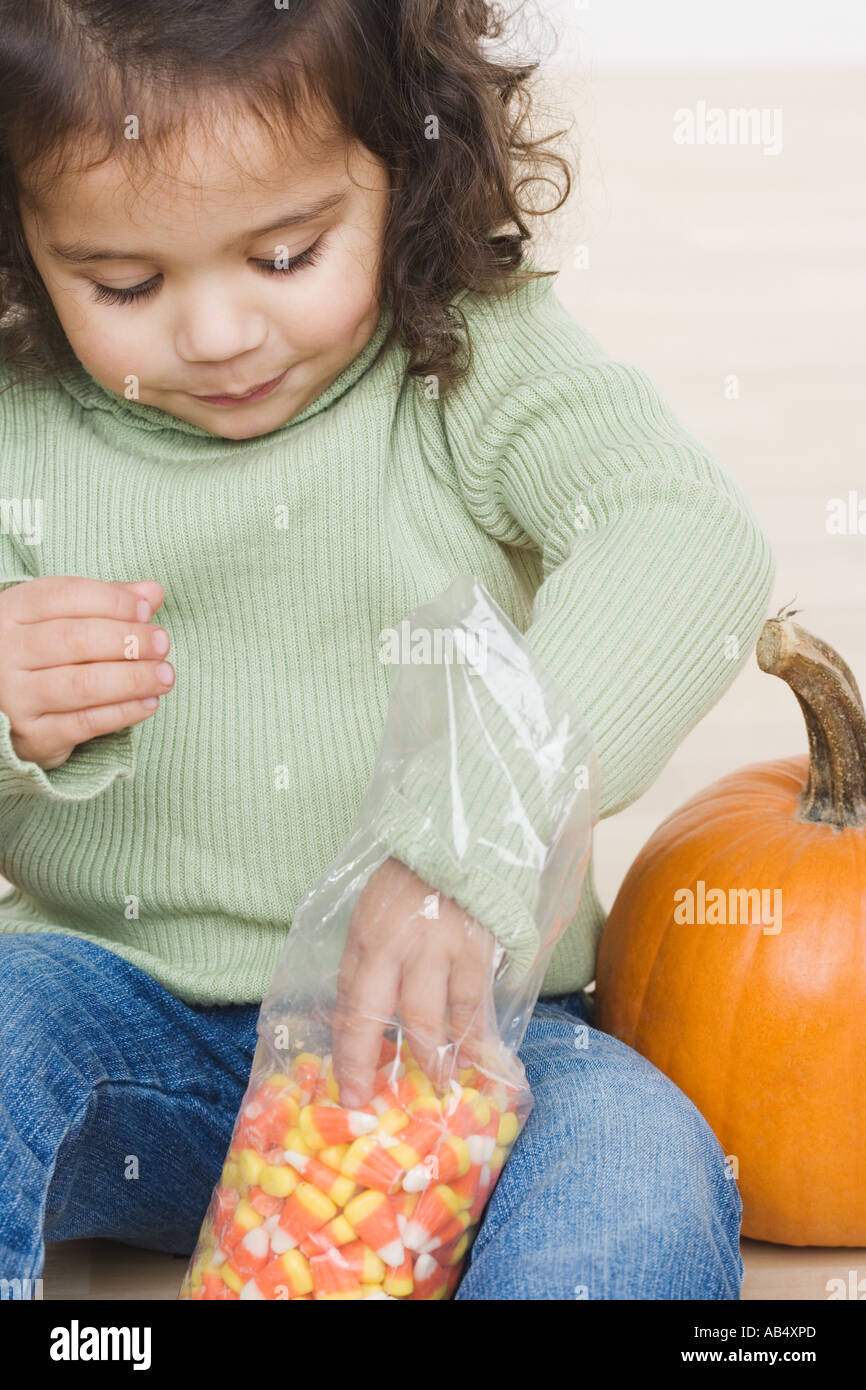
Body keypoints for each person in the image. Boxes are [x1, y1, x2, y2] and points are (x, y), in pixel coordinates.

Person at [0, 0, 773, 1299]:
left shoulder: (469, 360)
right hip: (115, 1016)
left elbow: (685, 535)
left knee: (640, 1180)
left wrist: (466, 837)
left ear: (405, 174)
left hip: (476, 1043)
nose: (215, 332)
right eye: (124, 282)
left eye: (287, 255)